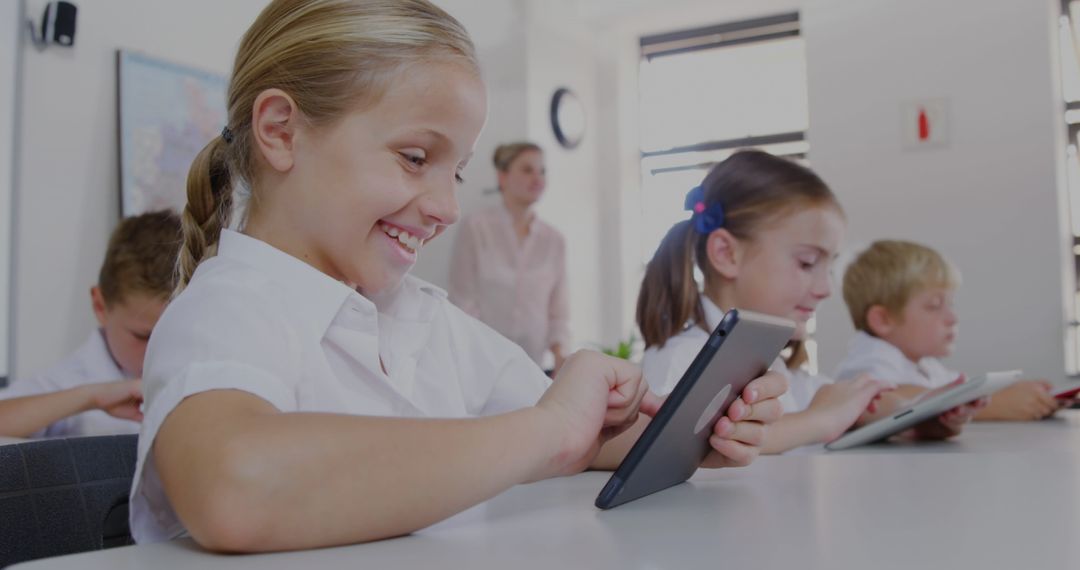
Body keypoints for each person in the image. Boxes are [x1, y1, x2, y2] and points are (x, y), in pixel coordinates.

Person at [132, 0, 786, 552]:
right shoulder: (227, 308)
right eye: (416, 157)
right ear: (281, 131)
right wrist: (550, 429)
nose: (446, 207)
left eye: (458, 171)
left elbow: (574, 441)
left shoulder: (422, 317)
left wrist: (702, 426)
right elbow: (235, 486)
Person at [638, 151, 978, 453]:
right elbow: (678, 450)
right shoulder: (678, 361)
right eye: (806, 263)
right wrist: (818, 420)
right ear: (727, 254)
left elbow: (854, 401)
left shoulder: (784, 371)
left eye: (829, 267)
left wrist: (920, 417)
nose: (826, 289)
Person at [835, 239, 1059, 421]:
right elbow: (880, 401)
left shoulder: (926, 365)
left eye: (951, 305)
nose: (953, 318)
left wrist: (1026, 396)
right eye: (934, 306)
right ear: (883, 319)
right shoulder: (868, 363)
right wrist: (998, 404)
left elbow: (963, 389)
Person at [0, 210, 180, 438]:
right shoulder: (66, 382)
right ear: (100, 306)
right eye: (143, 337)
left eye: (172, 335)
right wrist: (92, 397)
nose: (157, 350)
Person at [449, 142, 570, 371]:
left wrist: (560, 358)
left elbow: (559, 311)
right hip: (481, 363)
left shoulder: (555, 240)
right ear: (502, 177)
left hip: (534, 367)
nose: (537, 178)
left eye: (542, 171)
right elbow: (462, 301)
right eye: (527, 170)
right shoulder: (476, 228)